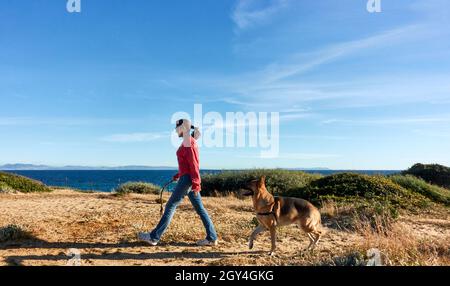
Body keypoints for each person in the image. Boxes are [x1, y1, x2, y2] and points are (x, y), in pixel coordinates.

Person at [138, 119, 218, 246]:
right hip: (187, 178)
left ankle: (154, 237)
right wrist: (178, 175)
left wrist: (196, 183)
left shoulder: (189, 143)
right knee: (200, 209)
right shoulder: (188, 142)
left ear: (183, 128)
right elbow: (186, 164)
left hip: (188, 180)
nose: (176, 131)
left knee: (170, 206)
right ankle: (212, 237)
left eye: (178, 128)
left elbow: (194, 164)